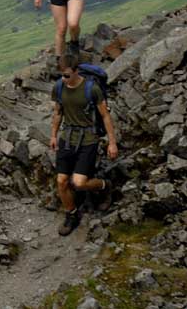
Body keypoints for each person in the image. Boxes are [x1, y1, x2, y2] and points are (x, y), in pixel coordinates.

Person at [50, 53, 119, 235]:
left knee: (79, 182)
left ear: (76, 71)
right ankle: (71, 213)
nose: (63, 79)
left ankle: (105, 186)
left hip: (88, 139)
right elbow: (58, 112)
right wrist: (54, 135)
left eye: (66, 75)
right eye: (61, 75)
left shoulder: (92, 89)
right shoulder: (58, 88)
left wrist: (112, 143)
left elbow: (105, 116)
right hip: (67, 137)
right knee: (61, 180)